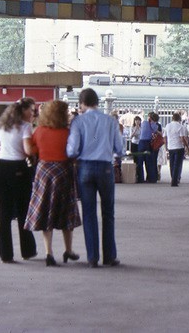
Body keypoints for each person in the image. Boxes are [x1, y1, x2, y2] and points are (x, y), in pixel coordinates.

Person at [66, 88, 124, 268]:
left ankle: (92, 257)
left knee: (89, 213)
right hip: (106, 168)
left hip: (85, 168)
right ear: (97, 102)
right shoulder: (110, 121)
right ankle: (109, 256)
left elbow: (72, 150)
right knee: (108, 213)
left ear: (82, 103)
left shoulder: (78, 122)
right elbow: (119, 148)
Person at [25, 100, 81, 267]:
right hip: (63, 172)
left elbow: (32, 151)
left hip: (44, 173)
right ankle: (68, 250)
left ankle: (49, 252)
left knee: (46, 210)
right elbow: (73, 154)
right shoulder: (68, 132)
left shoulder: (39, 131)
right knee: (66, 211)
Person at [0, 98, 37, 263]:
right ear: (23, 111)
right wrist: (33, 153)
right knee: (23, 211)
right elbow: (27, 150)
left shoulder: (1, 126)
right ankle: (27, 250)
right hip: (18, 168)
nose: (33, 114)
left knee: (3, 214)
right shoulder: (25, 127)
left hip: (1, 168)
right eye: (31, 110)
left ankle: (5, 254)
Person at [163, 112, 189, 187]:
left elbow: (164, 137)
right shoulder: (180, 127)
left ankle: (173, 177)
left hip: (170, 147)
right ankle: (175, 180)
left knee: (171, 164)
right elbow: (182, 138)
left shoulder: (167, 126)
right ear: (179, 119)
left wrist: (166, 146)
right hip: (179, 147)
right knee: (177, 164)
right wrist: (186, 147)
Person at [136, 112, 161, 184]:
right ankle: (151, 178)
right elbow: (155, 131)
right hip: (148, 143)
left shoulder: (144, 123)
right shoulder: (155, 125)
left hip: (141, 142)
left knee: (140, 161)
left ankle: (140, 178)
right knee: (148, 162)